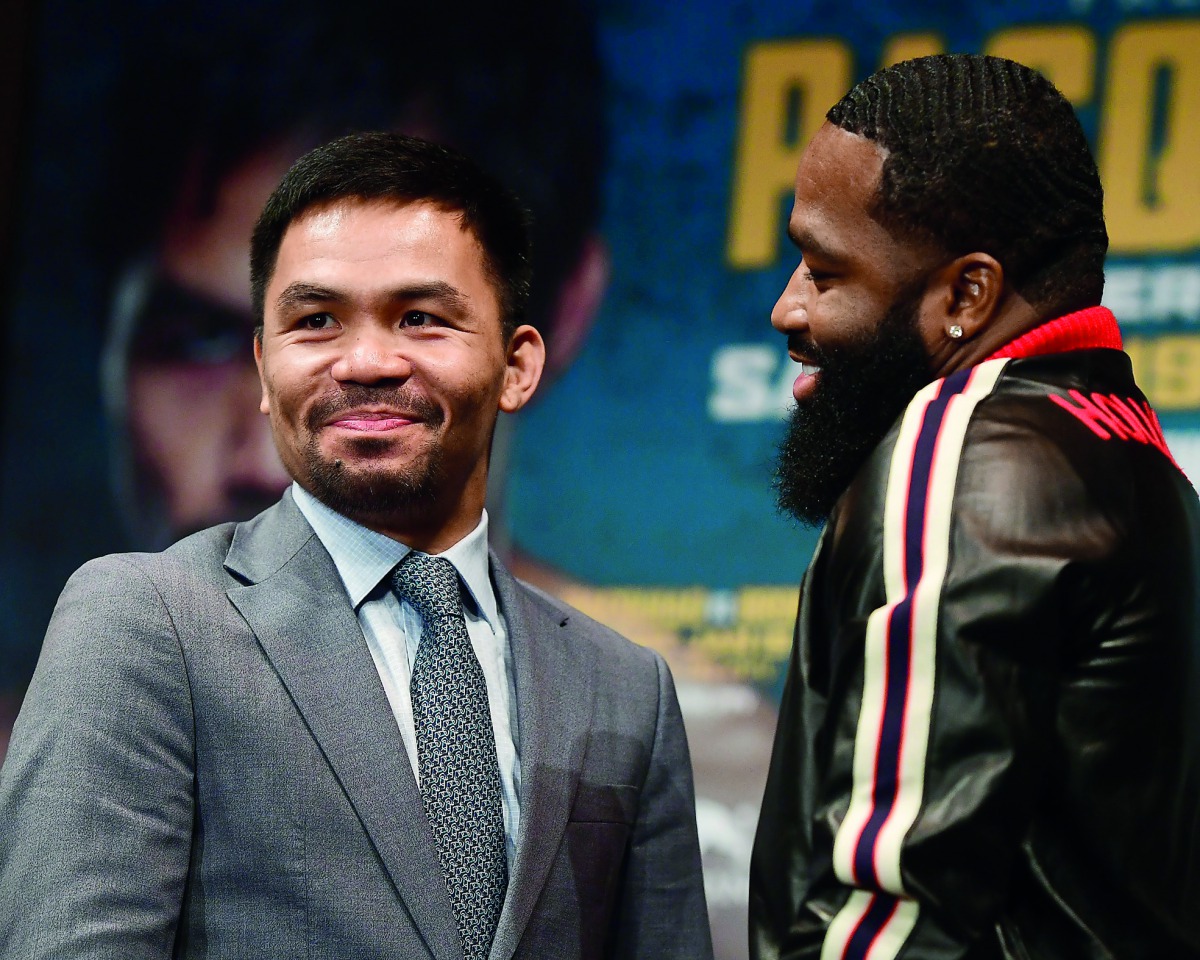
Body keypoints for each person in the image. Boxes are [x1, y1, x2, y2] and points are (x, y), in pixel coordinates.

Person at [0, 132, 712, 960]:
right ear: (268, 370)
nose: (367, 360)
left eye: (420, 317)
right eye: (316, 321)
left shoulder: (625, 685)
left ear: (518, 364)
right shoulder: (146, 621)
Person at [749, 54, 1200, 959]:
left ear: (966, 294)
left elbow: (894, 915)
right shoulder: (1147, 468)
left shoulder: (963, 447)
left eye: (825, 272)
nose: (785, 308)